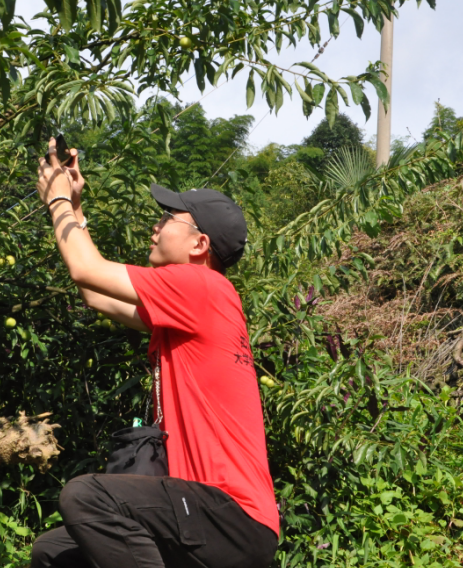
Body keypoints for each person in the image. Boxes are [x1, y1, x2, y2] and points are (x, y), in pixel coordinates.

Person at [29, 138, 278, 568]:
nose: (156, 226)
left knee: (87, 496)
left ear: (199, 245)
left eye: (168, 218)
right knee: (54, 552)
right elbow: (94, 294)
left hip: (231, 514)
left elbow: (85, 269)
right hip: (203, 513)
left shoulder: (200, 286)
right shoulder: (192, 306)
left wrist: (57, 199)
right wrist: (76, 206)